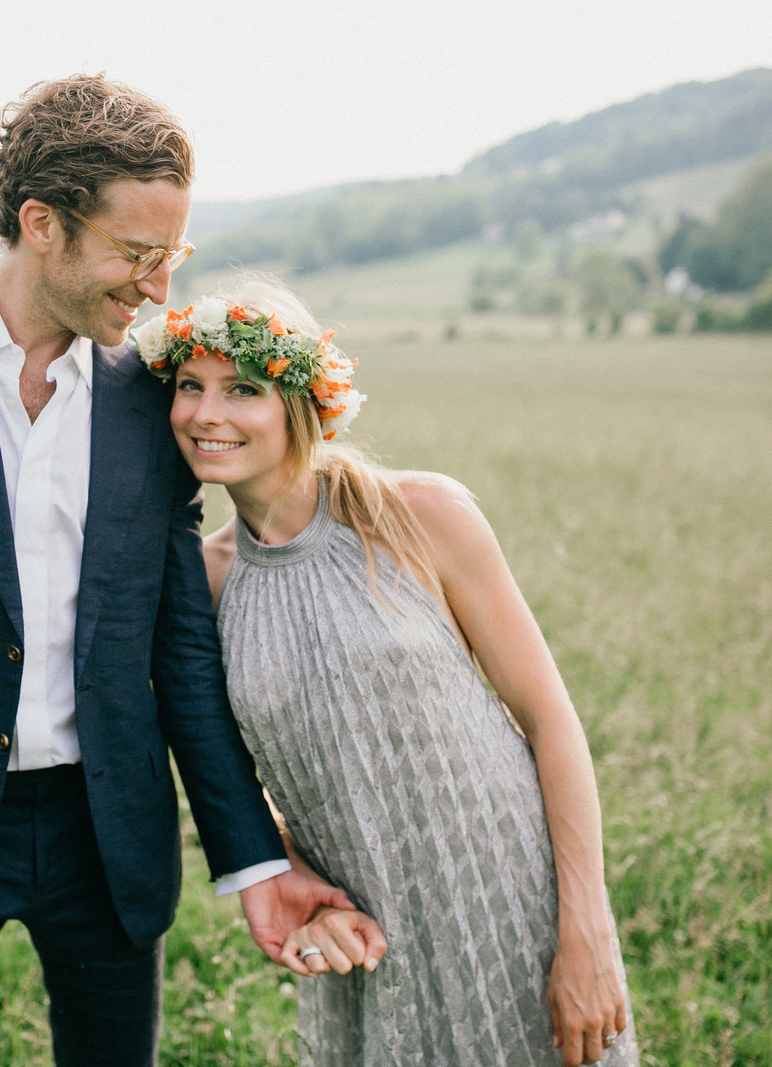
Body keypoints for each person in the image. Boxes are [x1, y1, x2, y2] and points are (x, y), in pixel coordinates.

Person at [0, 78, 354, 1065]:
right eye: (135, 256)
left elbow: (179, 644)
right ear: (42, 223)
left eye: (171, 259)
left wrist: (254, 854)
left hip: (108, 831)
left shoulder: (149, 397)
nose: (156, 289)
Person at [138, 279, 640, 1066]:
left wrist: (587, 930)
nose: (206, 413)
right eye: (189, 387)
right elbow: (221, 777)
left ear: (301, 399)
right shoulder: (204, 582)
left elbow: (549, 717)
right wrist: (295, 875)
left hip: (511, 903)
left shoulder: (421, 514)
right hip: (368, 937)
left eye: (243, 389)